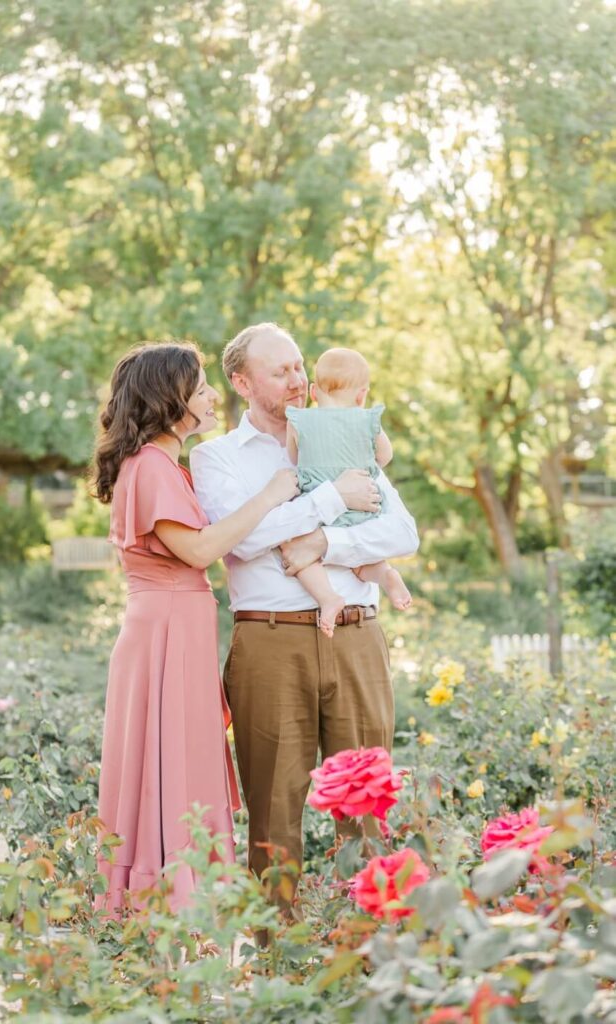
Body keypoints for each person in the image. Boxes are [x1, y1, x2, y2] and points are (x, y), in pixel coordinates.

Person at [190, 323, 419, 894]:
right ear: (242, 382)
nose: (298, 380)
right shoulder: (215, 458)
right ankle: (278, 960)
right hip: (270, 642)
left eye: (299, 366)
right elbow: (242, 540)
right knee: (274, 813)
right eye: (280, 371)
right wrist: (332, 498)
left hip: (356, 634)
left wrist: (328, 544)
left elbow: (402, 532)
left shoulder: (346, 434)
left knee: (367, 806)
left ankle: (368, 948)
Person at [91, 341, 299, 914]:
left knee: (172, 761)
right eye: (201, 386)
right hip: (166, 634)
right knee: (172, 763)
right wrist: (271, 495)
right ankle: (172, 900)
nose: (210, 396)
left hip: (172, 628)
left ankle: (171, 899)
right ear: (170, 397)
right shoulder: (153, 468)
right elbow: (201, 549)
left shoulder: (159, 466)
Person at [285, 346, 412, 637]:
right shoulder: (368, 420)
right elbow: (385, 455)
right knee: (366, 559)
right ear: (361, 394)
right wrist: (367, 466)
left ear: (314, 392)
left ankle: (328, 598)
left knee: (300, 552)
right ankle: (386, 575)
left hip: (319, 505)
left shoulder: (299, 420)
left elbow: (294, 458)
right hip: (363, 502)